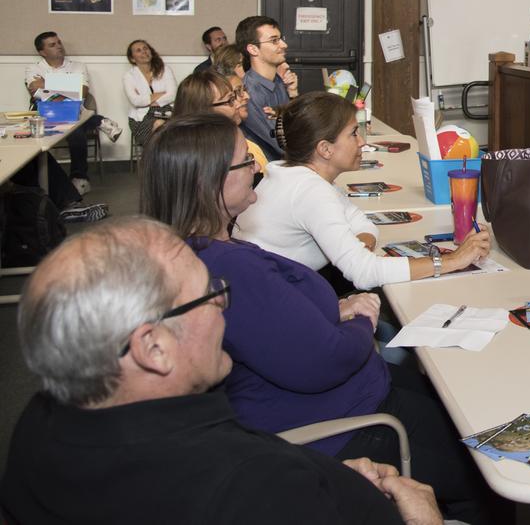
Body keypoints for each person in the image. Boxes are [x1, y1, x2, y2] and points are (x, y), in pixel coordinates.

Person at [138, 114, 496, 524]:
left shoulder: (199, 251)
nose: (257, 167)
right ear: (210, 181)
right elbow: (324, 360)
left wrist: (333, 311)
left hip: (343, 398)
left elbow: (273, 327)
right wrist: (361, 319)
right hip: (345, 425)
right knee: (485, 467)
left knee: (457, 401)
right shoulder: (230, 268)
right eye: (245, 161)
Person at [0, 216, 445, 525]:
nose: (224, 305)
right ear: (153, 348)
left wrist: (326, 477)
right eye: (209, 295)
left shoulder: (38, 426)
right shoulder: (247, 486)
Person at [236, 92, 491, 290]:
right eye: (353, 133)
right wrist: (453, 261)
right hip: (278, 308)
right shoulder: (310, 191)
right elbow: (363, 273)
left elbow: (362, 222)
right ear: (325, 149)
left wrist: (356, 250)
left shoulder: (292, 173)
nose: (362, 142)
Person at [24, 31, 121, 194]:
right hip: (47, 115)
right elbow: (35, 91)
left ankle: (79, 179)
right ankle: (99, 121)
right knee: (74, 120)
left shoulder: (78, 66)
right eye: (52, 45)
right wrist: (69, 88)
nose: (59, 46)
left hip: (74, 113)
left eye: (59, 42)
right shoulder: (33, 68)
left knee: (76, 132)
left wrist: (47, 84)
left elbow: (82, 92)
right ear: (42, 52)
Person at [174, 68, 268, 174]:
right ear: (204, 109)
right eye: (230, 100)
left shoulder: (235, 140)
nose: (237, 104)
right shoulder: (208, 155)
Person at [235, 15, 298, 162]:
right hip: (267, 168)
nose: (284, 45)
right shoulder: (249, 92)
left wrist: (293, 93)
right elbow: (283, 144)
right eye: (274, 40)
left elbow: (295, 124)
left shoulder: (278, 81)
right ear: (253, 49)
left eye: (280, 39)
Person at [122, 38, 177, 150]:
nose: (144, 52)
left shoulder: (165, 69)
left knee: (171, 127)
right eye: (138, 50)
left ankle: (159, 157)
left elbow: (173, 94)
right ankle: (161, 157)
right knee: (160, 125)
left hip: (167, 112)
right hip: (141, 118)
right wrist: (160, 94)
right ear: (132, 58)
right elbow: (136, 101)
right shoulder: (129, 76)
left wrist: (150, 100)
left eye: (145, 48)